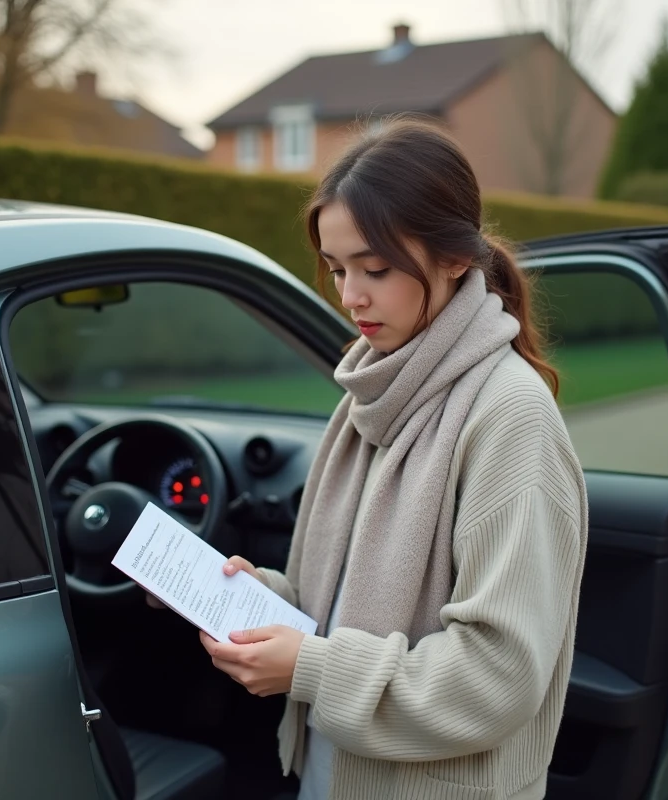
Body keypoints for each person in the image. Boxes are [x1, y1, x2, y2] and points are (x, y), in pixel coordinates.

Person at [154, 117, 588, 800]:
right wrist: (246, 598)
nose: (350, 295)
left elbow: (497, 677)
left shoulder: (511, 416)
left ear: (454, 258)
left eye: (376, 269)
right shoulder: (373, 387)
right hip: (331, 775)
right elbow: (336, 612)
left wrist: (310, 668)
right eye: (336, 269)